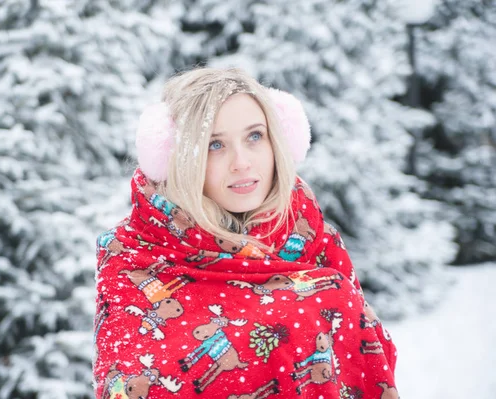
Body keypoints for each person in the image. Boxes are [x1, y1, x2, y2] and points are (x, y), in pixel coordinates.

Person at [93, 67, 398, 399]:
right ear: (175, 158)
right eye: (215, 144)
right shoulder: (134, 256)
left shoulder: (312, 236)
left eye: (255, 136)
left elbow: (368, 361)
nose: (242, 162)